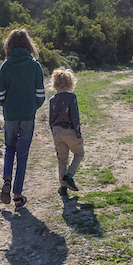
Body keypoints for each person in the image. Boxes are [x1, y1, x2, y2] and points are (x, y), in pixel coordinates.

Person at [0, 28, 46, 209]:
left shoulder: (6, 67)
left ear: (9, 45)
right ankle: (17, 196)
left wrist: (6, 106)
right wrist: (33, 107)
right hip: (27, 116)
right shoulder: (35, 67)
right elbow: (40, 94)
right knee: (22, 156)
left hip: (10, 116)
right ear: (28, 45)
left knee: (9, 148)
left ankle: (6, 179)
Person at [48, 68, 83, 199]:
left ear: (55, 83)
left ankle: (63, 187)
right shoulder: (71, 97)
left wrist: (53, 131)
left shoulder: (52, 99)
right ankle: (68, 177)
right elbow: (75, 117)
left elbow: (50, 118)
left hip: (56, 131)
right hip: (69, 130)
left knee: (62, 159)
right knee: (79, 153)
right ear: (70, 83)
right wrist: (78, 135)